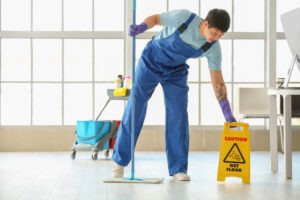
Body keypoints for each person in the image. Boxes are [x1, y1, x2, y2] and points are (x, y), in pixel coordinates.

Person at [111, 8, 236, 181]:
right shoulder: (184, 18)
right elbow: (155, 18)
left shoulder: (213, 47)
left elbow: (217, 80)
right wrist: (142, 27)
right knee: (135, 107)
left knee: (178, 115)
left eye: (220, 36)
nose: (215, 38)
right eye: (214, 33)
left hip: (175, 71)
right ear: (205, 23)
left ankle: (178, 168)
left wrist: (226, 110)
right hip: (151, 61)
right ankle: (119, 163)